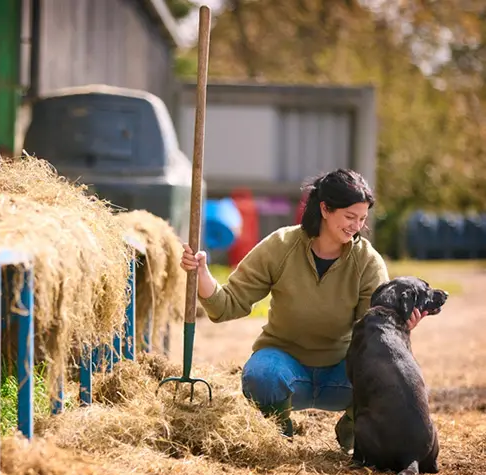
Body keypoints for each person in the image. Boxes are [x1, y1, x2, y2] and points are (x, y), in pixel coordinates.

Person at [180, 168, 429, 451]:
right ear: (325, 208)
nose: (356, 226)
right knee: (261, 375)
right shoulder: (281, 246)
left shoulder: (367, 262)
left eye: (362, 219)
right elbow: (228, 304)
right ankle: (277, 432)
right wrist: (202, 274)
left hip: (342, 373)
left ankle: (355, 430)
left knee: (389, 374)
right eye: (349, 217)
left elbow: (371, 329)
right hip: (284, 366)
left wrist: (398, 327)